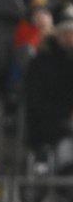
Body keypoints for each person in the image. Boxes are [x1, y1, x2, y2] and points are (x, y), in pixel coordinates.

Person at [24, 12, 73, 171]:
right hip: (50, 123)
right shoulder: (41, 62)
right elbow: (35, 101)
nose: (70, 38)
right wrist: (65, 114)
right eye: (66, 33)